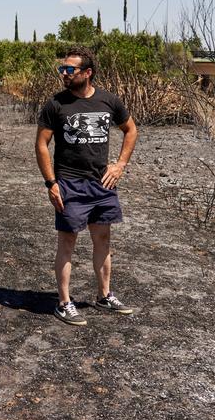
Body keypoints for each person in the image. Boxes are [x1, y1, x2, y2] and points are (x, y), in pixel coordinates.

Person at [35, 47, 138, 326]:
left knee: (103, 240)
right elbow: (41, 145)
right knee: (67, 243)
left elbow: (131, 130)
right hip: (69, 183)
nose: (64, 74)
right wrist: (51, 183)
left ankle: (104, 296)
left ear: (87, 73)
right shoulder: (56, 104)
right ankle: (64, 303)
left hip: (102, 184)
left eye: (70, 70)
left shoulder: (108, 100)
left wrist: (119, 165)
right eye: (62, 69)